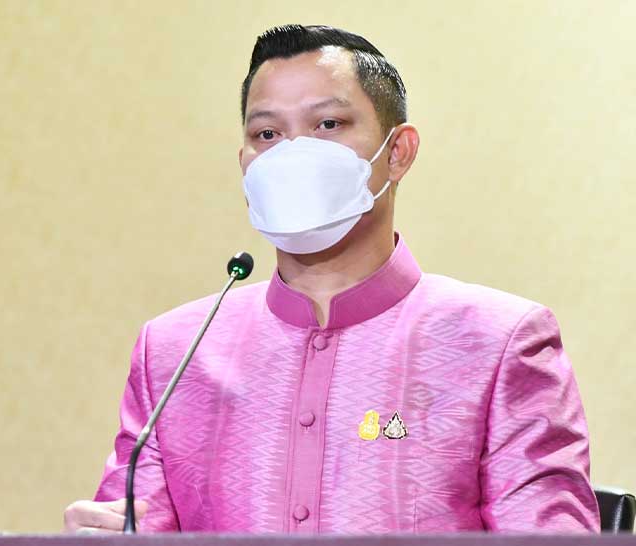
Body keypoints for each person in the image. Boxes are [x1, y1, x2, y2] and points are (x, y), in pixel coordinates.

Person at [63, 24, 600, 534]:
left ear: (398, 152)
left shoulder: (498, 342)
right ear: (245, 163)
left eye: (328, 125)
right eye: (267, 133)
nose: (293, 153)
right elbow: (134, 525)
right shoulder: (174, 352)